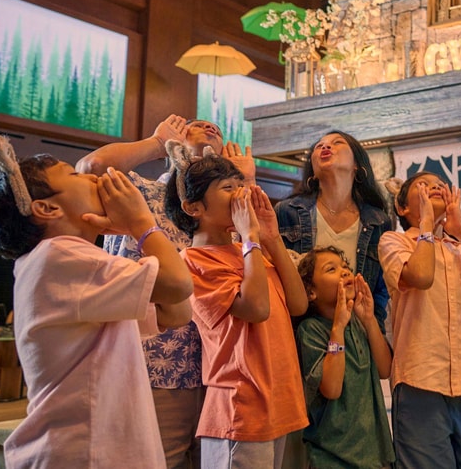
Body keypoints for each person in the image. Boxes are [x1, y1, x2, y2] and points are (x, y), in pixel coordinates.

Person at [0, 132, 193, 468]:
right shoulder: (58, 255)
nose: (91, 177)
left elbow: (176, 313)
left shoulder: (67, 260)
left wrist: (137, 230)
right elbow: (177, 284)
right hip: (84, 450)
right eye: (74, 175)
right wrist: (141, 222)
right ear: (46, 208)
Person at [76, 115, 256, 469]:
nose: (210, 127)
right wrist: (157, 142)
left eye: (216, 130)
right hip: (153, 362)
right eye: (195, 124)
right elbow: (91, 167)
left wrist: (243, 182)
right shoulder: (142, 192)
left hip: (220, 368)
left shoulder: (231, 216)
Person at [166, 154, 309, 469]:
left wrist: (270, 238)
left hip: (278, 397)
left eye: (241, 185)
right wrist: (251, 239)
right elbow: (256, 309)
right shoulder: (193, 260)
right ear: (194, 208)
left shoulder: (250, 251)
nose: (241, 194)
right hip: (240, 405)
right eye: (228, 187)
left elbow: (298, 304)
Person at [378, 172, 461, 469]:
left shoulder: (459, 248)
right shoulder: (394, 241)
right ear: (402, 208)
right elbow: (420, 276)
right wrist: (425, 227)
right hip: (420, 381)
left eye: (438, 183)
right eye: (423, 184)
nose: (434, 186)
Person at [275, 131, 393, 330]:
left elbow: (381, 291)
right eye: (319, 146)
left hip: (357, 336)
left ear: (357, 165)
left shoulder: (378, 221)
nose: (325, 147)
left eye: (337, 142)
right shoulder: (287, 212)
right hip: (299, 334)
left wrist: (372, 328)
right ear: (312, 169)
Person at [295, 247, 395, 469]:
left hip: (374, 455)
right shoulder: (310, 330)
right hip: (330, 457)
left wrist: (369, 320)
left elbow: (385, 369)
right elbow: (332, 388)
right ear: (311, 292)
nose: (344, 272)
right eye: (332, 269)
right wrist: (338, 327)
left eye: (345, 267)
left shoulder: (360, 323)